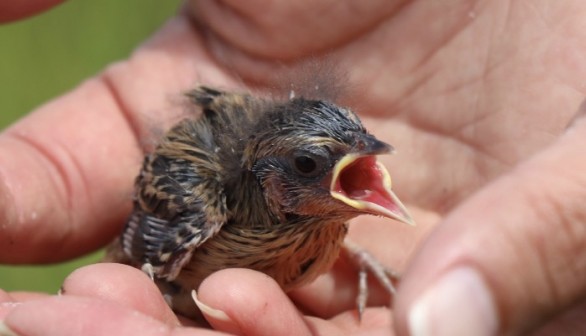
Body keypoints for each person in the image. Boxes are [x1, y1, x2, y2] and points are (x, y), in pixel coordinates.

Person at [1, 1, 586, 335]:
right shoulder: (198, 203)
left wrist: (353, 254)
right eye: (309, 165)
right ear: (267, 182)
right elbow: (133, 256)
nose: (365, 160)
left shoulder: (326, 217)